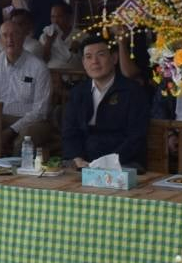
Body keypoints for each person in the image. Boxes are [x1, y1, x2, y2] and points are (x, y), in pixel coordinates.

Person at [62, 36, 152, 170]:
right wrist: (77, 158)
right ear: (83, 63)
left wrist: (108, 162)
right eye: (88, 57)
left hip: (122, 163)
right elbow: (70, 132)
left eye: (101, 55)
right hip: (85, 163)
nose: (94, 61)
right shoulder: (78, 93)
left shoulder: (133, 91)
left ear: (114, 58)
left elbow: (136, 137)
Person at [0, 20, 56, 152]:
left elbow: (40, 111)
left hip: (30, 120)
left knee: (25, 139)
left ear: (23, 37)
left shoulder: (38, 67)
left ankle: (16, 166)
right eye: (5, 35)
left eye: (14, 34)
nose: (10, 39)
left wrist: (11, 130)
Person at [39, 2, 83, 70]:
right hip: (51, 74)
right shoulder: (45, 36)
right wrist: (48, 43)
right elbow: (42, 60)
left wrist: (75, 49)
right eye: (53, 17)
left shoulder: (81, 35)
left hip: (74, 74)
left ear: (69, 17)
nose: (55, 21)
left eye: (59, 16)